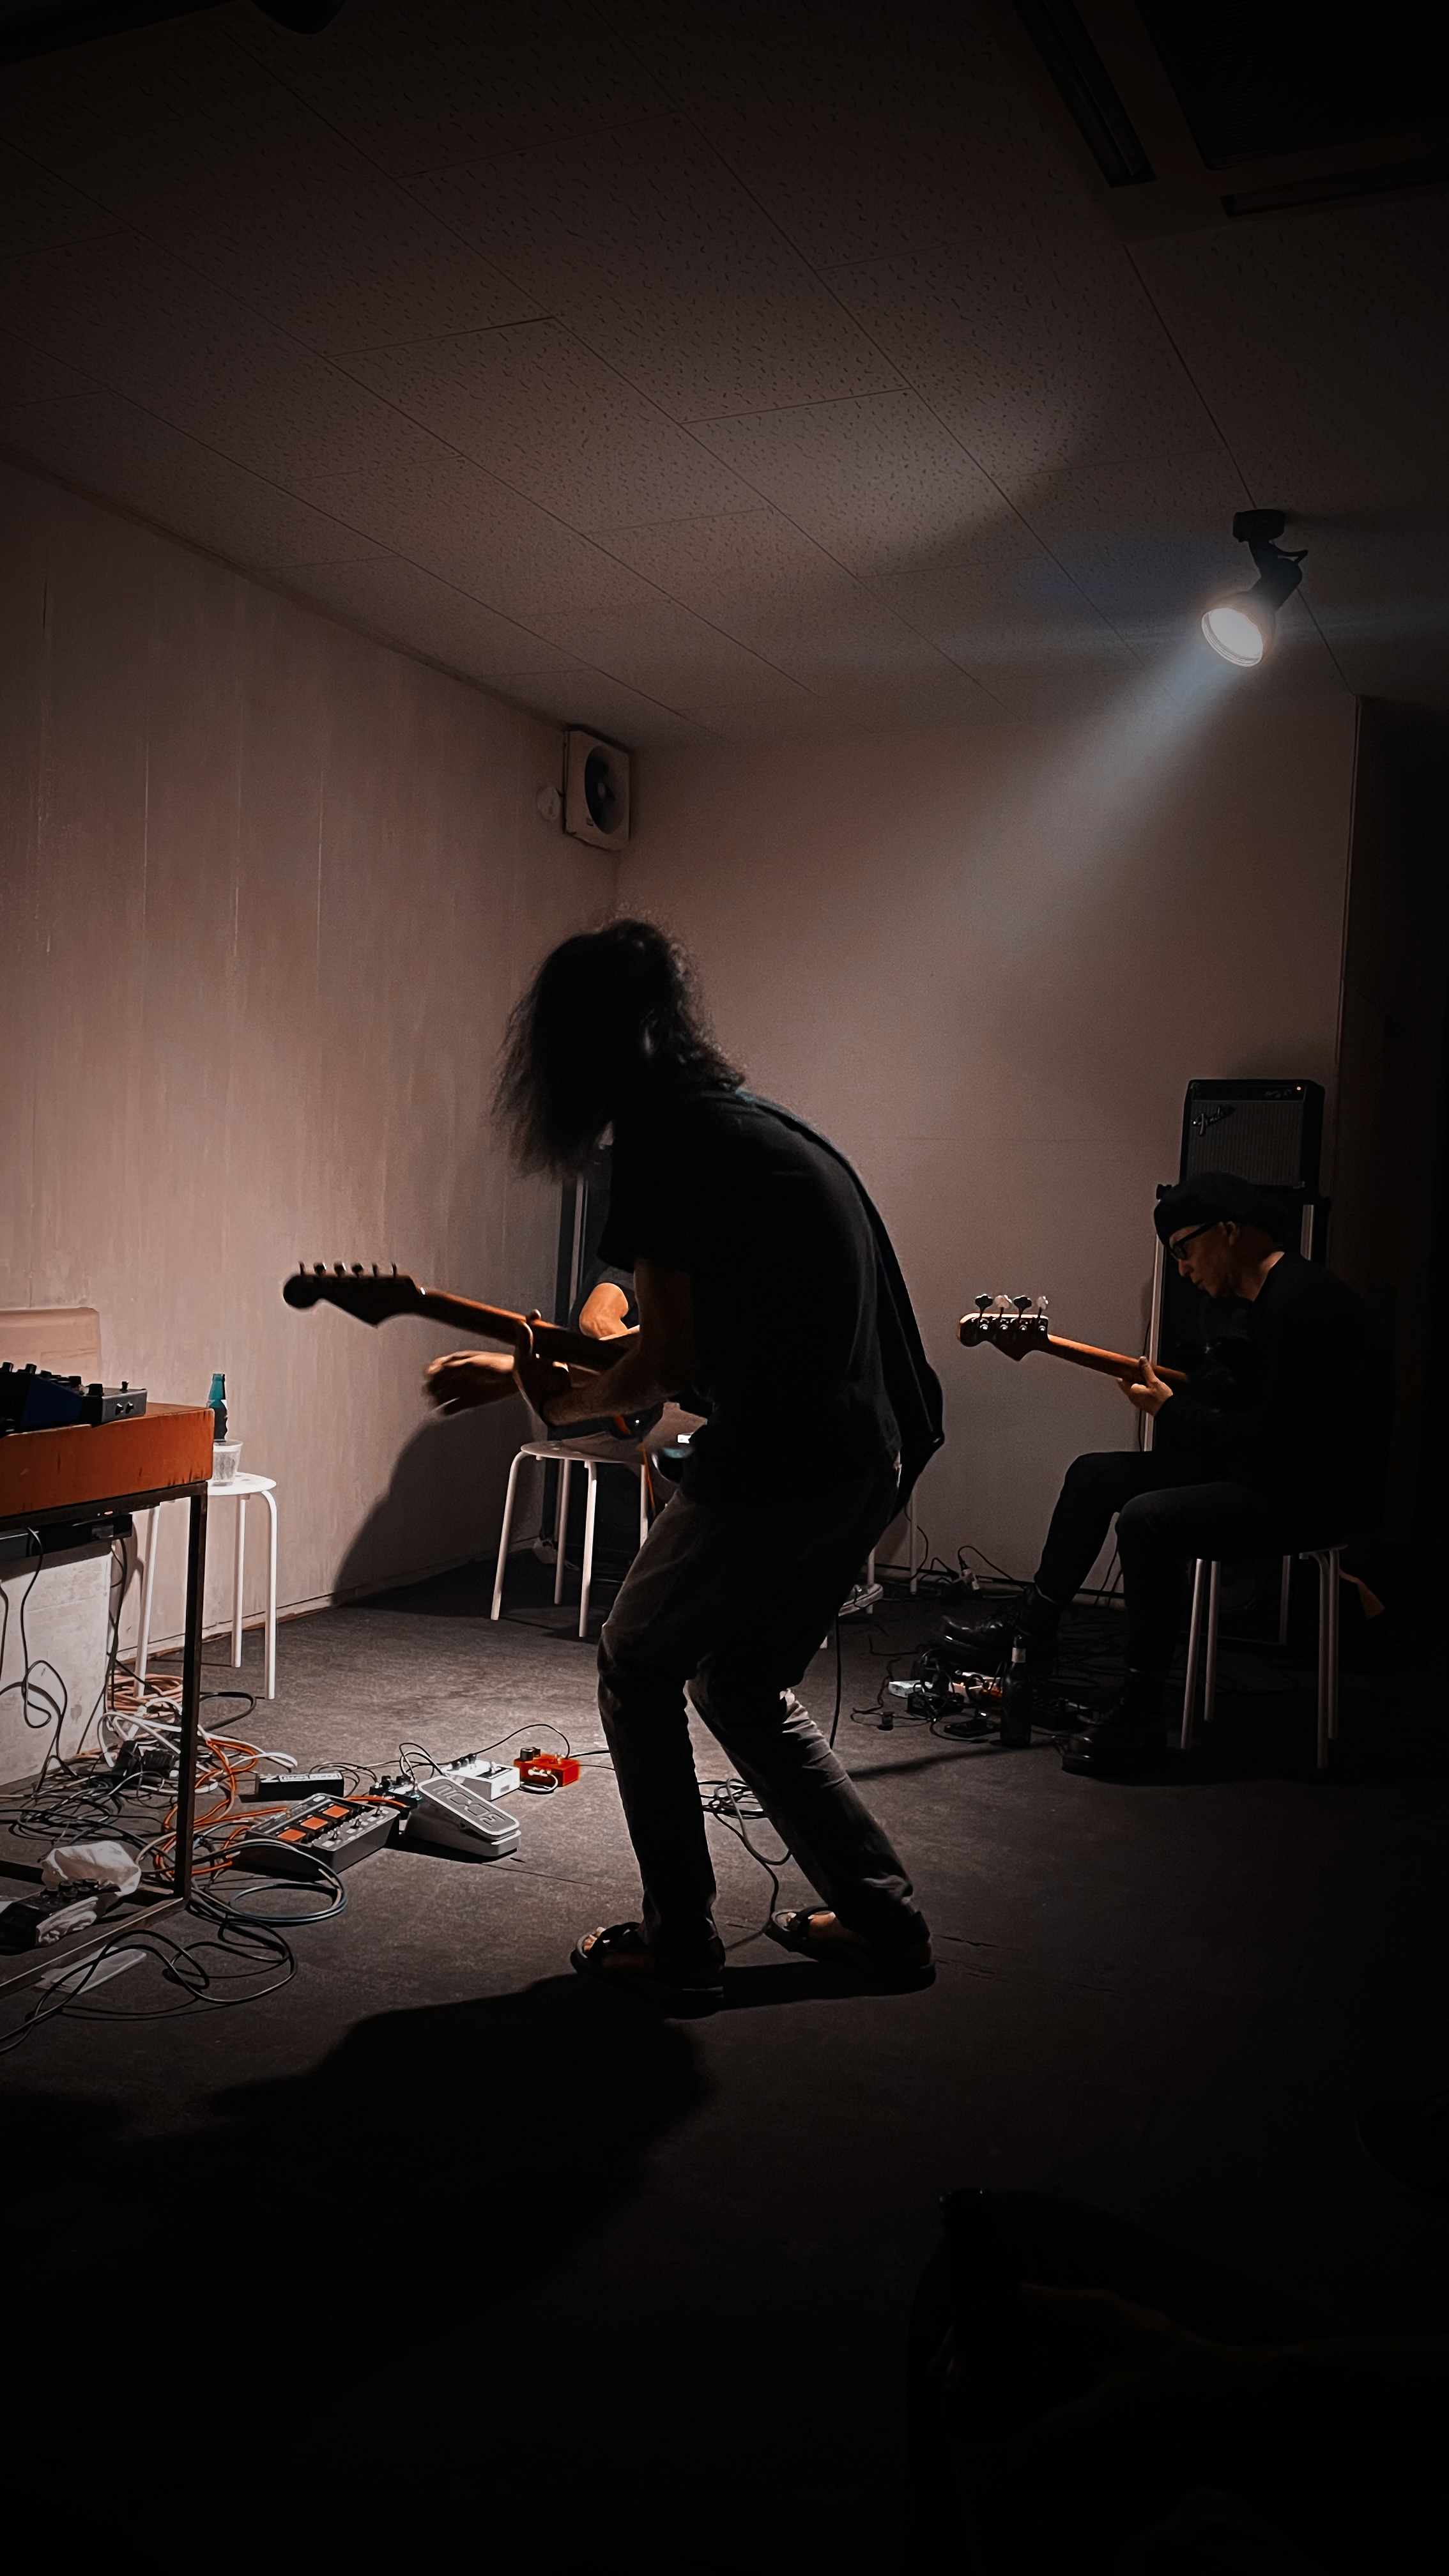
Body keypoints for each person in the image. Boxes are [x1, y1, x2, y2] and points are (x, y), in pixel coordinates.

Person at [427, 919, 944, 2011]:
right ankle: (883, 1919)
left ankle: (680, 1943)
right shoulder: (751, 1124)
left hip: (784, 1455)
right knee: (742, 1685)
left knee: (636, 1662)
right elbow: (701, 1341)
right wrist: (538, 1375)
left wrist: (547, 1398)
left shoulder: (668, 1140)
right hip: (869, 1453)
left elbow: (656, 1367)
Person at [961, 1172, 1393, 1777]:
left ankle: (1141, 1712)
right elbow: (1248, 1415)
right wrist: (1189, 1396)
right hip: (1266, 1470)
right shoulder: (1260, 1305)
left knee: (1148, 1520)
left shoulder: (1300, 1307)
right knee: (1093, 1476)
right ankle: (1032, 1633)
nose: (1183, 1270)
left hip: (1308, 1495)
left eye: (1185, 1249)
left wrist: (1173, 1412)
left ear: (1230, 1231)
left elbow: (1278, 1445)